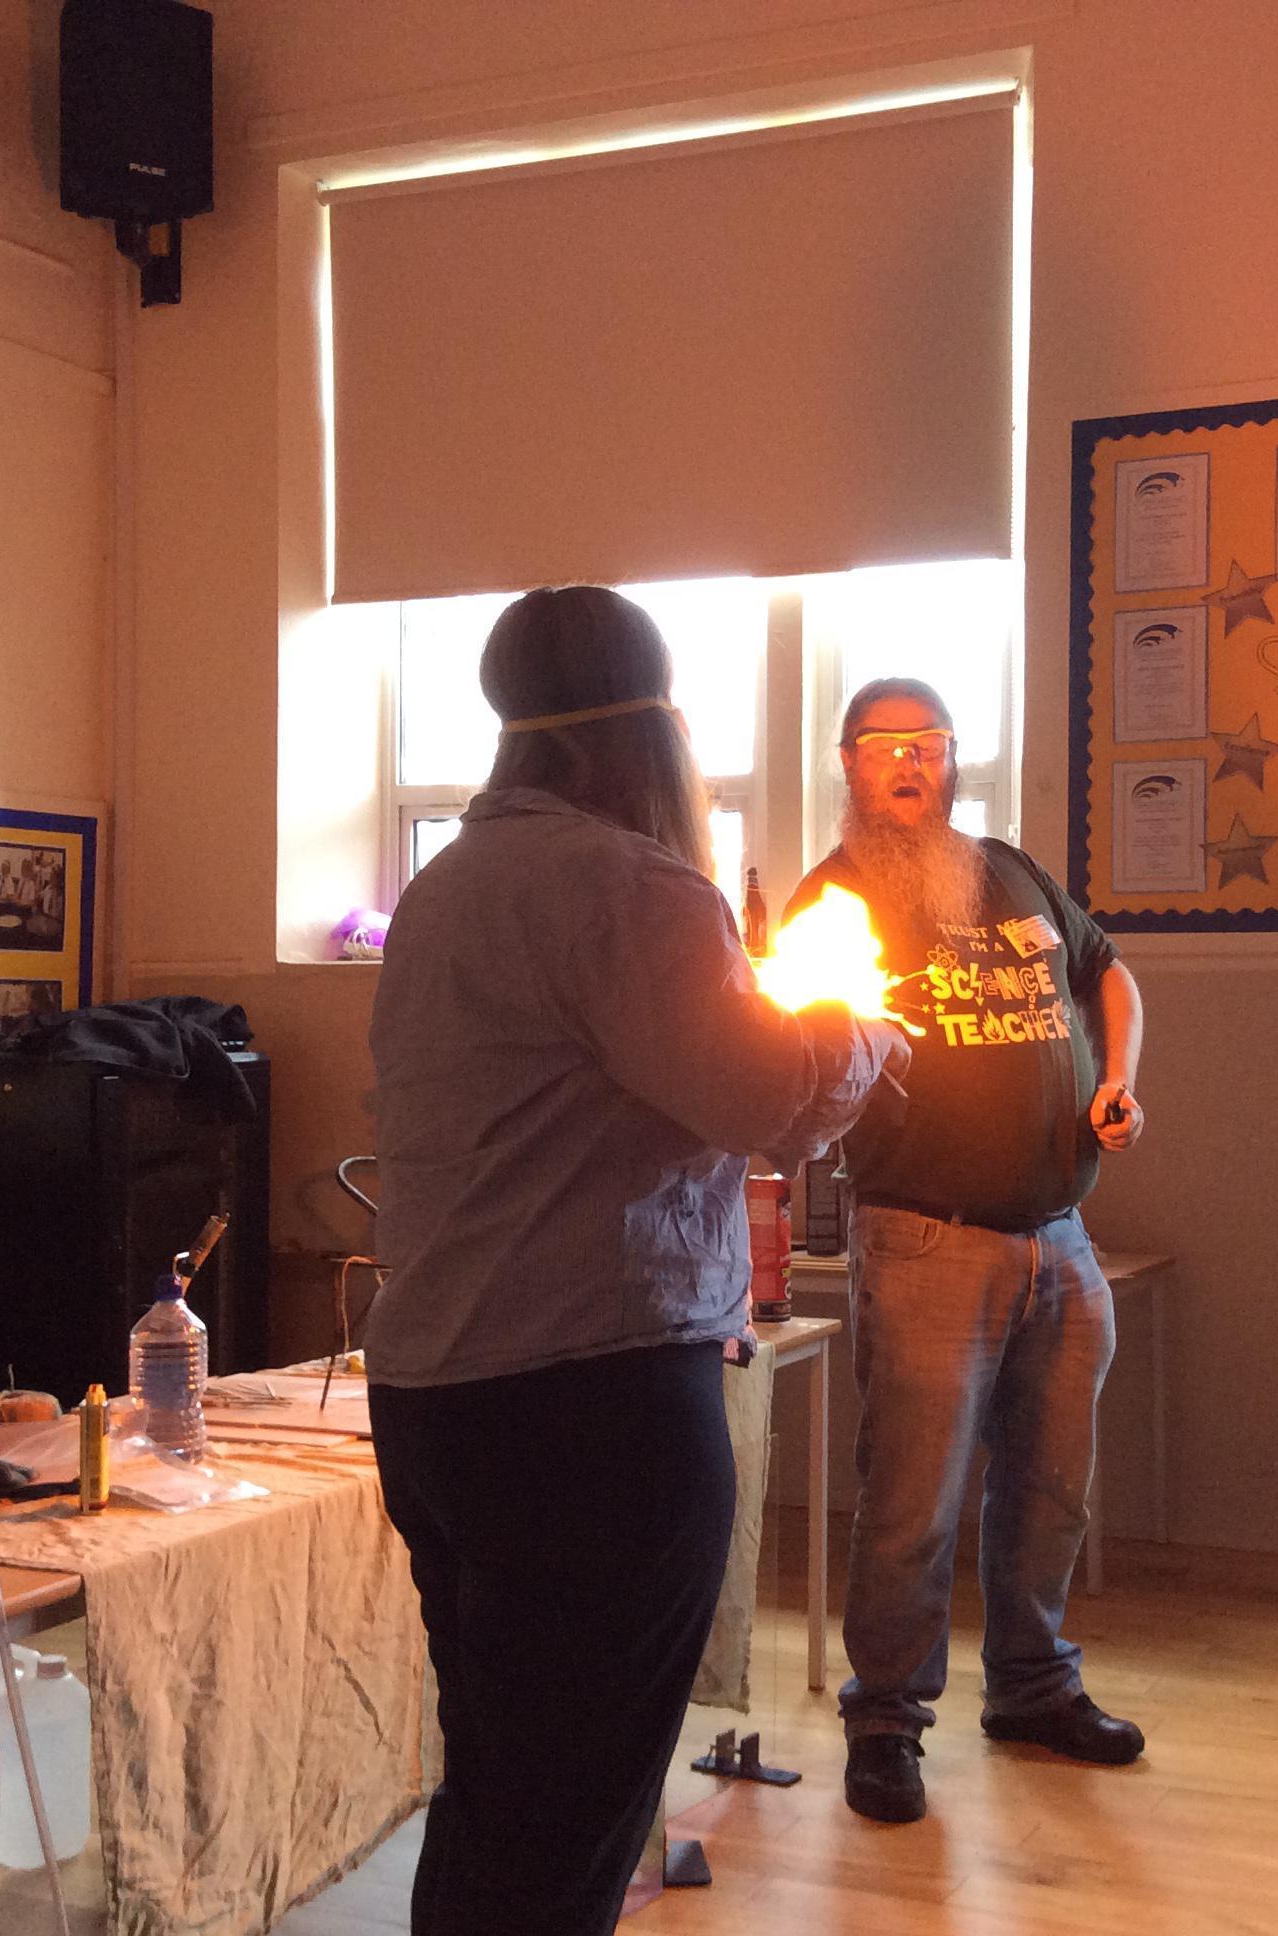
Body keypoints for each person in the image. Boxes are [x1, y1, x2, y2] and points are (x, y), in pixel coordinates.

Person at [367, 586, 911, 1936]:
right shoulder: (628, 886)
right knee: (571, 1825)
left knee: (500, 1790)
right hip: (591, 1414)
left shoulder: (444, 888)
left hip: (436, 1401)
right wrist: (864, 1036)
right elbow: (764, 1098)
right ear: (647, 730)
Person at [789, 676, 1148, 1826]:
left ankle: (1033, 1688)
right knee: (914, 1501)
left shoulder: (1011, 870)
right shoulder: (833, 900)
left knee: (1050, 1491)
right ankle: (886, 1721)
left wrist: (1118, 1082)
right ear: (848, 762)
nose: (908, 761)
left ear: (953, 760)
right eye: (884, 744)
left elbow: (1108, 971)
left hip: (1062, 1239)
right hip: (925, 1241)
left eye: (929, 743)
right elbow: (800, 1054)